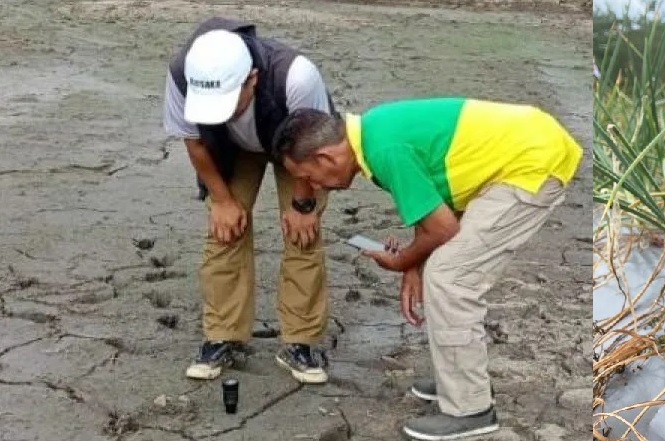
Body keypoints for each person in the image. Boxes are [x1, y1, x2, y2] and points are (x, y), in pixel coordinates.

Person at [271, 98, 582, 440]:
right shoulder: (374, 132)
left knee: (451, 278)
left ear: (325, 158)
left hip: (532, 163)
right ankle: (459, 379)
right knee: (442, 268)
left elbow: (444, 229)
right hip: (523, 149)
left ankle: (471, 409)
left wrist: (402, 260)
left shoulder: (385, 151)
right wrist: (413, 267)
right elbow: (435, 204)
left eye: (308, 177)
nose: (313, 186)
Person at [163, 17, 336, 384]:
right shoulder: (182, 73)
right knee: (224, 231)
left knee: (302, 233)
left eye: (226, 102)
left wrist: (303, 205)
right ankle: (223, 334)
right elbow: (194, 141)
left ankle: (301, 342)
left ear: (252, 79)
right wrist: (223, 200)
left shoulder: (296, 77)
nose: (220, 112)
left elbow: (315, 146)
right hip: (231, 149)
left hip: (299, 146)